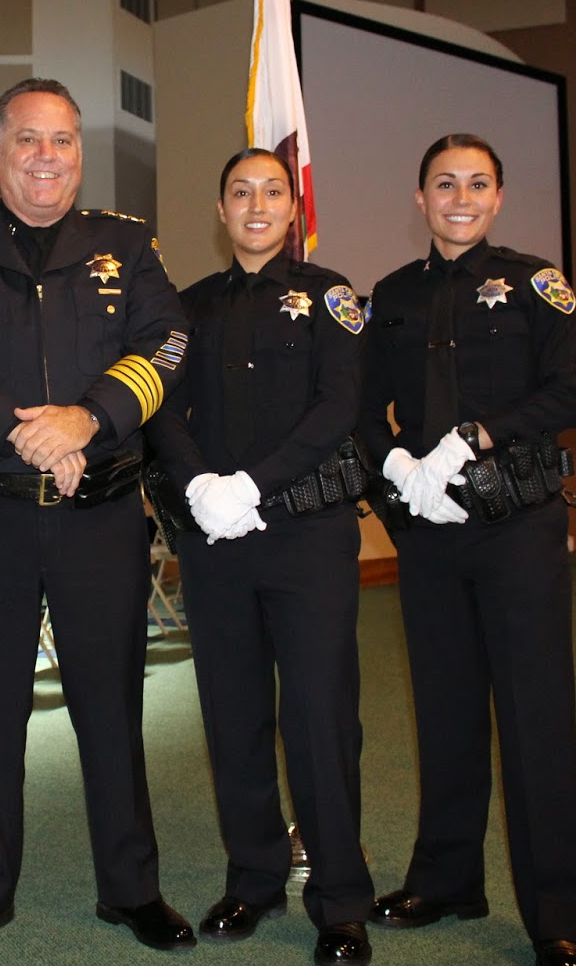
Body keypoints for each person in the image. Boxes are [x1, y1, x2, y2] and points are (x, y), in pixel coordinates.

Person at [0, 77, 194, 957]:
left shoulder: (127, 246)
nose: (46, 157)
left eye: (62, 140)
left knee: (111, 708)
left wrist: (88, 418)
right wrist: (21, 434)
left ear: (79, 153)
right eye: (28, 140)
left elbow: (169, 341)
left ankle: (131, 889)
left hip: (100, 519)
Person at [357, 134, 576, 966]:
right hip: (429, 535)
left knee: (535, 720)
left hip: (518, 528)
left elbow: (575, 391)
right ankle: (447, 880)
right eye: (444, 184)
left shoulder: (538, 285)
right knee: (447, 711)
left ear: (498, 198)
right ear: (419, 199)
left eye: (478, 184)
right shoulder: (390, 296)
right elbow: (360, 411)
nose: (461, 197)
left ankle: (556, 914)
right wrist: (393, 468)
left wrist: (477, 437)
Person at [144, 149, 373, 965]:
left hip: (306, 536)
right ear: (220, 208)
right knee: (234, 713)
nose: (256, 204)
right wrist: (200, 482)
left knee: (319, 715)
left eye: (272, 191)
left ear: (292, 205)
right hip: (217, 539)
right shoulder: (186, 307)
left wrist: (252, 482)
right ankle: (253, 879)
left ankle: (340, 894)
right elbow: (159, 405)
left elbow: (338, 405)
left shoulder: (330, 295)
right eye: (240, 191)